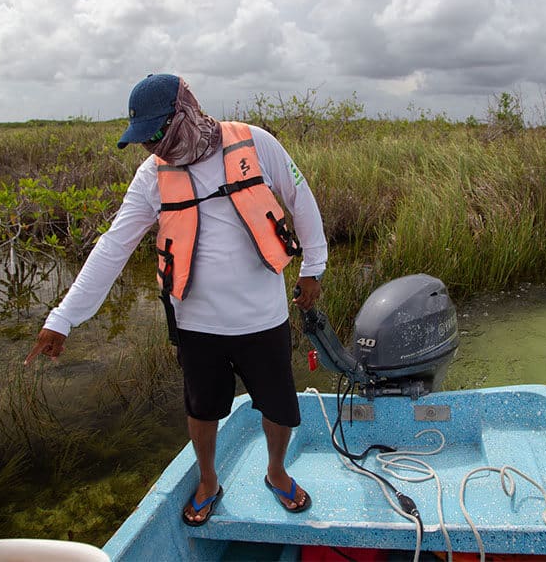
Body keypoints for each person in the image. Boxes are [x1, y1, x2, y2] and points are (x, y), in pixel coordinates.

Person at [24, 74, 328, 526]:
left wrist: (313, 267)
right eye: (144, 140)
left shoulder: (254, 142)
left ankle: (276, 471)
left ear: (183, 112)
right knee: (201, 410)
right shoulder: (151, 176)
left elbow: (299, 198)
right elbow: (113, 246)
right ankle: (208, 481)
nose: (152, 148)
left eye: (156, 134)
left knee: (281, 407)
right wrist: (63, 317)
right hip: (197, 326)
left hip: (264, 319)